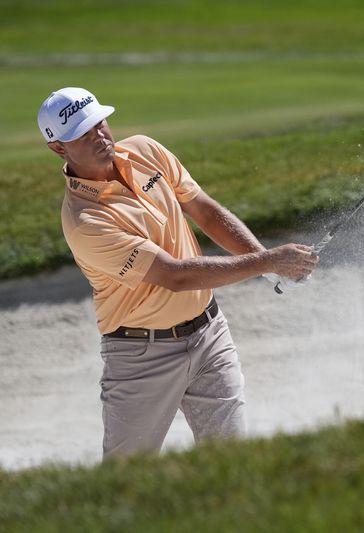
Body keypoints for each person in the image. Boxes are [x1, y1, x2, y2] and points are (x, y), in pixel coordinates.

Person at [37, 87, 319, 458]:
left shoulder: (144, 151)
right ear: (59, 147)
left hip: (210, 336)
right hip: (141, 356)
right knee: (128, 480)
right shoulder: (85, 221)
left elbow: (205, 211)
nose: (99, 136)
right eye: (83, 134)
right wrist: (268, 262)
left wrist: (269, 266)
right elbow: (176, 276)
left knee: (233, 463)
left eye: (99, 123)